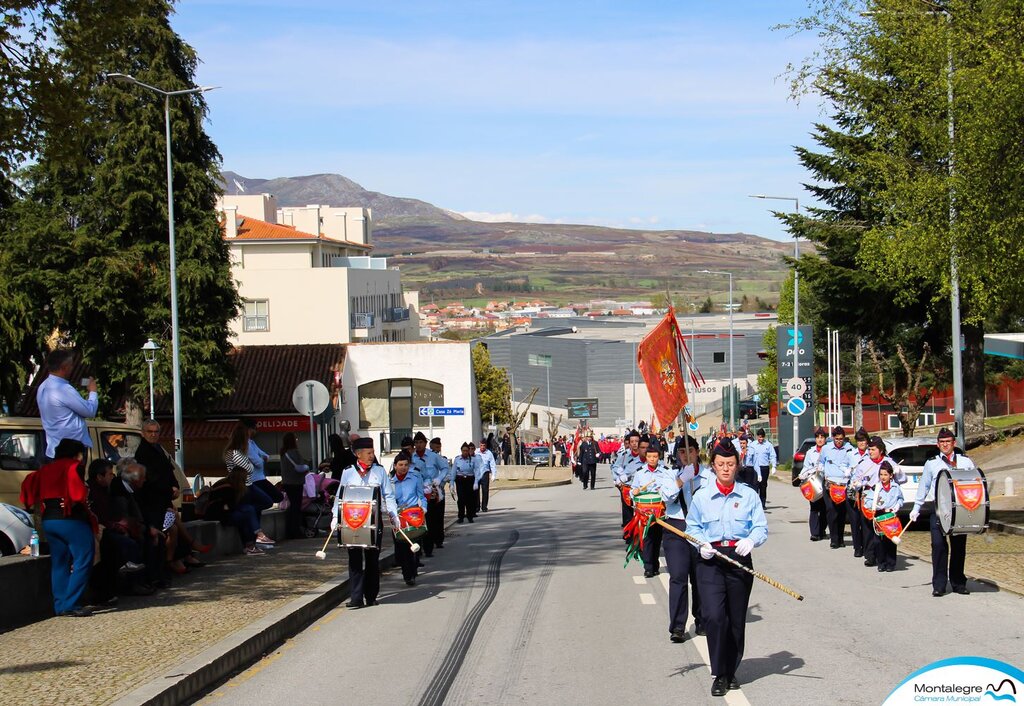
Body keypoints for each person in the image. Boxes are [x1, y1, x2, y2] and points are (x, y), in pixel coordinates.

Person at [685, 442, 768, 697]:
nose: (725, 469)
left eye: (730, 464)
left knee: (735, 619)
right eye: (721, 464)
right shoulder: (701, 495)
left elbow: (760, 527)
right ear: (714, 465)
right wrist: (700, 545)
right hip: (710, 559)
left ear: (737, 465)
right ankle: (719, 673)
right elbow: (692, 527)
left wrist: (751, 540)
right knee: (713, 616)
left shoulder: (749, 494)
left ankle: (731, 670)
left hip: (739, 559)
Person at [20, 438, 98, 616]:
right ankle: (72, 603)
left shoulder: (46, 468)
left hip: (50, 520)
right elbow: (77, 495)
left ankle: (60, 604)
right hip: (71, 519)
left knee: (59, 563)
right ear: (77, 454)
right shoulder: (73, 466)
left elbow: (30, 487)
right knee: (83, 559)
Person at [331, 437, 399, 608]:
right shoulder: (348, 471)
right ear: (358, 454)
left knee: (372, 559)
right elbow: (340, 496)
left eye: (373, 452)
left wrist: (393, 514)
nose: (371, 456)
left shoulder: (379, 471)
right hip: (353, 520)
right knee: (354, 558)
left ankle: (371, 595)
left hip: (374, 521)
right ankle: (355, 597)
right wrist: (335, 516)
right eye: (368, 453)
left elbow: (388, 495)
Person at [911, 428, 975, 597]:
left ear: (954, 443)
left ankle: (958, 582)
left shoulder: (965, 462)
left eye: (948, 441)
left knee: (959, 546)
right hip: (937, 508)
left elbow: (974, 484)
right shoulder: (931, 463)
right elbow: (923, 486)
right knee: (938, 545)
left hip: (960, 508)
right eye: (942, 442)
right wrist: (916, 508)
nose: (945, 445)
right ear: (938, 444)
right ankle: (939, 584)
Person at [87, 458, 149, 602]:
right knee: (122, 544)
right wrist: (118, 526)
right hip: (99, 530)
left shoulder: (105, 490)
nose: (112, 477)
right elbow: (100, 517)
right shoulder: (93, 492)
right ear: (99, 476)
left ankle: (134, 580)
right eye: (109, 474)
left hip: (108, 527)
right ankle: (129, 583)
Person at [110, 458, 169, 589]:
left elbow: (142, 512)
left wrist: (150, 527)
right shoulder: (119, 490)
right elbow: (124, 516)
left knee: (157, 537)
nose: (145, 480)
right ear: (134, 479)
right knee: (142, 541)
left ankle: (153, 578)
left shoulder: (135, 490)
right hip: (124, 528)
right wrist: (147, 529)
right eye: (142, 477)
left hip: (135, 526)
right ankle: (138, 582)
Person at [36, 350, 99, 460]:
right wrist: (93, 391)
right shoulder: (63, 389)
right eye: (71, 365)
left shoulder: (43, 386)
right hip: (71, 452)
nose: (72, 368)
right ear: (64, 367)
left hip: (54, 447)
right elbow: (90, 411)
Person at [224, 423, 275, 547]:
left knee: (264, 502)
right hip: (242, 486)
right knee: (250, 509)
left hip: (248, 483)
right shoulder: (235, 453)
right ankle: (253, 540)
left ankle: (255, 536)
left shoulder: (239, 452)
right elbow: (250, 467)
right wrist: (251, 462)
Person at [628, 446, 670, 578]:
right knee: (647, 538)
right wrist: (633, 491)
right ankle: (648, 567)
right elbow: (633, 490)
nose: (652, 459)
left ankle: (655, 564)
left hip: (659, 510)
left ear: (659, 457)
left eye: (655, 457)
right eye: (650, 457)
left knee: (657, 538)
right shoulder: (640, 473)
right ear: (646, 458)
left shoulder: (665, 472)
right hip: (644, 511)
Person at [201, 468, 265, 555]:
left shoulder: (226, 483)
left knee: (248, 511)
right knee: (247, 513)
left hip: (220, 512)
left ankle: (251, 544)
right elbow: (228, 506)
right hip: (218, 514)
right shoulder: (227, 487)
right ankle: (254, 540)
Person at [391, 451, 427, 586]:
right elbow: (387, 500)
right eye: (400, 465)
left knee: (412, 547)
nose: (403, 467)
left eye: (406, 464)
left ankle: (411, 574)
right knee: (401, 549)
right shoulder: (390, 482)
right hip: (398, 517)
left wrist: (423, 508)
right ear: (395, 466)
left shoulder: (414, 477)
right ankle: (407, 572)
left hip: (413, 515)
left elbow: (421, 496)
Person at [411, 432, 449, 556]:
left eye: (420, 442)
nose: (418, 445)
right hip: (418, 491)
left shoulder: (433, 456)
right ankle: (421, 546)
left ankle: (431, 546)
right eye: (416, 443)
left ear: (425, 443)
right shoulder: (412, 457)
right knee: (420, 520)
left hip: (433, 490)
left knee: (432, 519)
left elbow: (445, 468)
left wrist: (439, 479)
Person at [862, 461, 903, 573]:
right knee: (878, 541)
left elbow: (900, 498)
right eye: (881, 474)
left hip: (891, 516)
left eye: (885, 474)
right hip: (879, 515)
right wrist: (875, 505)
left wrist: (898, 505)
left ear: (891, 475)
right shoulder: (876, 487)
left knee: (891, 539)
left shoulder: (896, 487)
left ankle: (891, 563)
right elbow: (867, 501)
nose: (883, 477)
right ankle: (881, 562)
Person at [821, 427, 853, 549]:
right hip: (830, 484)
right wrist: (821, 470)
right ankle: (834, 539)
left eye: (841, 439)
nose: (839, 441)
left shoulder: (849, 448)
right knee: (831, 511)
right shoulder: (826, 448)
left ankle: (840, 538)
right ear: (833, 438)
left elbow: (853, 463)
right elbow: (821, 462)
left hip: (843, 485)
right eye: (837, 439)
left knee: (841, 513)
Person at [242, 418, 284, 509]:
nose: (256, 431)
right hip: (255, 479)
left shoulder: (252, 443)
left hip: (260, 478)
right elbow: (259, 462)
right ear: (249, 430)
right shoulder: (246, 444)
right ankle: (250, 508)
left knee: (275, 498)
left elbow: (266, 456)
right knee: (272, 499)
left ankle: (252, 508)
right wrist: (261, 459)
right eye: (255, 429)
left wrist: (261, 458)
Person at [797, 427, 830, 542]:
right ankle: (815, 533)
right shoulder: (810, 452)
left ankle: (822, 530)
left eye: (822, 437)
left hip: (826, 482)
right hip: (814, 483)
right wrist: (802, 474)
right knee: (814, 507)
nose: (820, 440)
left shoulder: (829, 450)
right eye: (818, 437)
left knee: (825, 508)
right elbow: (806, 467)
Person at [845, 428, 871, 558]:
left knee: (865, 520)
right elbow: (843, 466)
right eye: (859, 440)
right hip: (852, 489)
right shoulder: (851, 454)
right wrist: (846, 471)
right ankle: (857, 547)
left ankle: (867, 547)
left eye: (864, 440)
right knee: (854, 521)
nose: (861, 443)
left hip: (865, 490)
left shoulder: (870, 454)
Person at [280, 432, 310, 539]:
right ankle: (295, 531)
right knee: (296, 507)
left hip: (287, 482)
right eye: (296, 439)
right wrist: (307, 466)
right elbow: (301, 465)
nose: (297, 440)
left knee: (292, 505)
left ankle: (290, 530)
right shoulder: (294, 452)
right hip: (296, 482)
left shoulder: (284, 452)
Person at [612, 431, 644, 528]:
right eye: (632, 441)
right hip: (627, 487)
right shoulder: (624, 455)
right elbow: (614, 468)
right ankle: (628, 532)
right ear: (629, 443)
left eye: (637, 441)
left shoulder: (644, 456)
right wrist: (618, 480)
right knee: (627, 512)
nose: (634, 443)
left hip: (641, 488)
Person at [452, 443, 480, 523]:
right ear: (461, 451)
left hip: (470, 479)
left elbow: (477, 471)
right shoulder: (457, 459)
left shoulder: (473, 460)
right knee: (461, 499)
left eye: (467, 451)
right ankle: (461, 517)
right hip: (460, 480)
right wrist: (451, 483)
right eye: (463, 451)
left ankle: (470, 516)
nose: (465, 452)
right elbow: (454, 471)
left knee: (469, 499)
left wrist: (476, 482)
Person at [749, 429, 776, 508]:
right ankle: (755, 503)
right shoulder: (753, 444)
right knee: (755, 485)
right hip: (755, 468)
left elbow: (772, 456)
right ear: (757, 436)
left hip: (764, 467)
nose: (761, 439)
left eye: (762, 437)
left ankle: (762, 503)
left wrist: (773, 466)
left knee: (763, 486)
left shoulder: (768, 445)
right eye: (759, 437)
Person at [476, 439, 496, 511]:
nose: (482, 447)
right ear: (479, 445)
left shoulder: (489, 453)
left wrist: (493, 474)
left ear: (486, 446)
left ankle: (484, 507)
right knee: (476, 490)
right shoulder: (476, 452)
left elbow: (492, 464)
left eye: (484, 446)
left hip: (485, 473)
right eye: (481, 445)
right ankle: (477, 507)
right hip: (477, 473)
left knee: (485, 490)